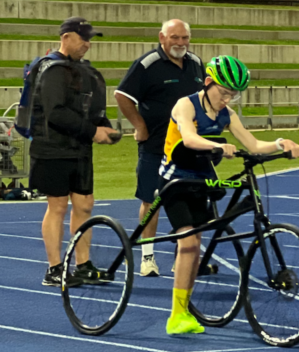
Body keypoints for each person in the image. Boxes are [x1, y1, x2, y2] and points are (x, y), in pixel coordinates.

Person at [159, 54, 299, 335]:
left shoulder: (228, 114)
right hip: (174, 181)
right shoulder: (185, 105)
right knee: (189, 243)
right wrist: (216, 145)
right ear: (208, 83)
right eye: (223, 92)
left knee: (198, 240)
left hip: (202, 179)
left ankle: (186, 309)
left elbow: (252, 144)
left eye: (232, 95)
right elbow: (188, 138)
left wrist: (280, 143)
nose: (227, 99)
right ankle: (176, 316)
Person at [29, 17, 120, 287]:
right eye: (83, 39)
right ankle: (55, 268)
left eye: (90, 39)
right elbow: (55, 112)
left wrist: (105, 128)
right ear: (66, 37)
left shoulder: (82, 70)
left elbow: (90, 110)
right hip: (52, 149)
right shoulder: (53, 70)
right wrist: (94, 132)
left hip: (79, 149)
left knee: (84, 205)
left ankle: (82, 265)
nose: (88, 45)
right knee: (57, 206)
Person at [115, 19, 205, 277]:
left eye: (184, 38)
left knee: (191, 201)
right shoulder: (147, 65)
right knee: (151, 200)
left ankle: (183, 257)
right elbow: (122, 96)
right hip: (155, 145)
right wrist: (139, 126)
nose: (180, 43)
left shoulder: (196, 63)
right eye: (175, 37)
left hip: (188, 148)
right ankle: (147, 257)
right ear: (162, 37)